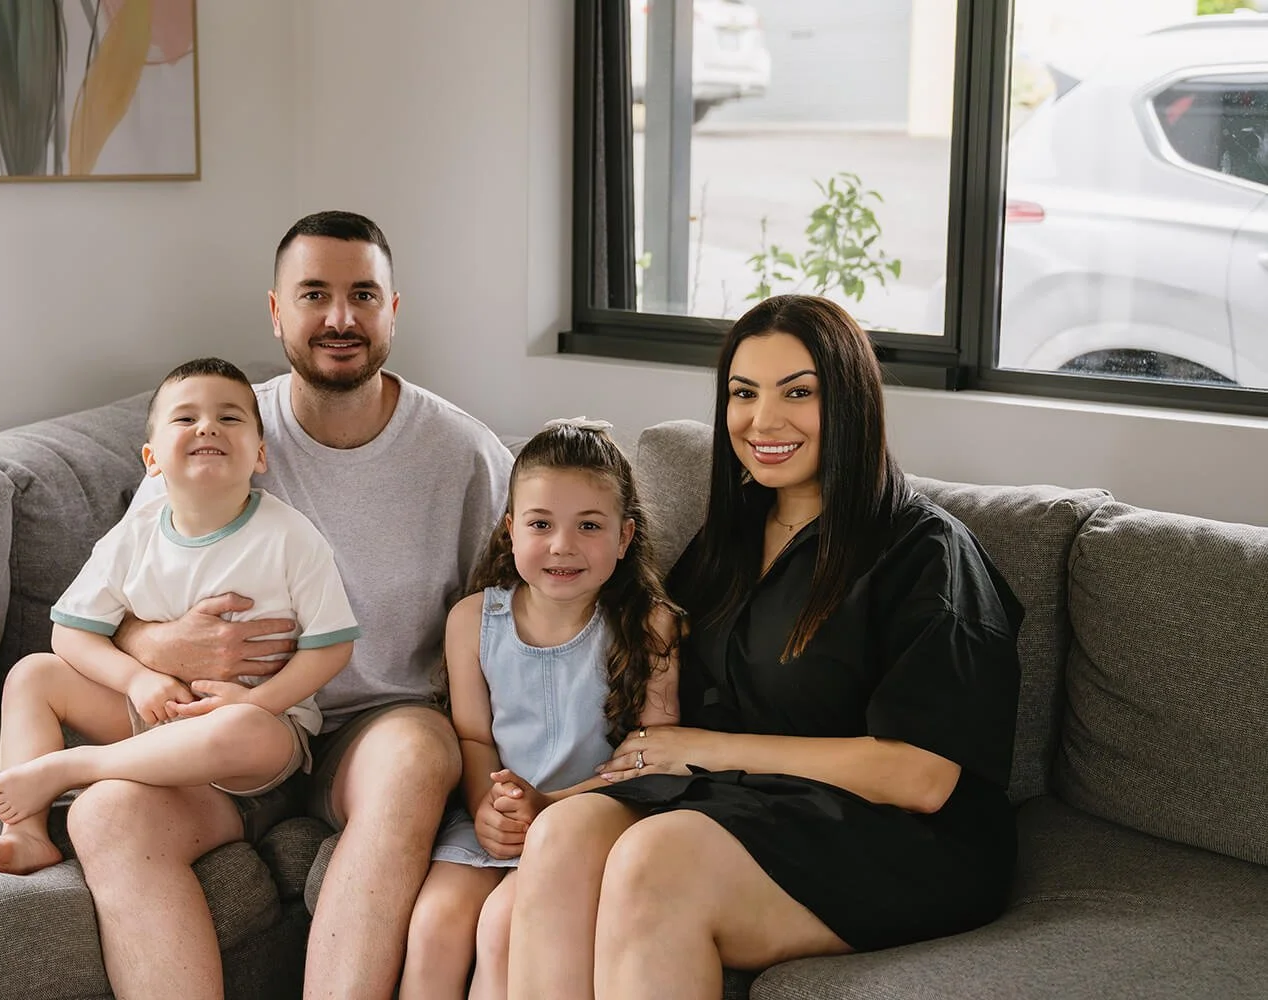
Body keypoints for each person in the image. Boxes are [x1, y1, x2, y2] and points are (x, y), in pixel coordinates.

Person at [501, 295, 1025, 1000]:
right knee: (564, 837)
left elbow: (922, 778)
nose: (763, 420)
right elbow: (664, 725)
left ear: (851, 402)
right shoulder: (732, 537)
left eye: (798, 392)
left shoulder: (927, 554)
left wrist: (714, 749)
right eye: (743, 393)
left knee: (657, 859)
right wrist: (552, 796)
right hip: (754, 804)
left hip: (901, 837)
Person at [69, 211, 514, 1000]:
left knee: (414, 754)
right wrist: (157, 646)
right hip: (223, 731)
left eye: (362, 296)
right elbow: (111, 600)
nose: (340, 319)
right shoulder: (220, 429)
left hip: (374, 729)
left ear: (392, 311)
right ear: (276, 312)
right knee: (105, 816)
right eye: (314, 294)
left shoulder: (465, 457)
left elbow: (521, 622)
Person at [0, 357, 360, 872]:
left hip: (256, 735)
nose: (207, 426)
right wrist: (136, 679)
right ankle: (24, 831)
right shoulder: (134, 537)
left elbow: (332, 645)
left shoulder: (290, 536)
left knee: (240, 728)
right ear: (152, 459)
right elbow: (69, 632)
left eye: (230, 417)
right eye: (186, 418)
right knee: (32, 674)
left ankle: (77, 767)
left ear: (260, 454)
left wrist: (257, 700)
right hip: (157, 713)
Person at [400, 420, 681, 999]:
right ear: (510, 530)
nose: (562, 545)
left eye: (589, 526)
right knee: (434, 925)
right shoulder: (472, 621)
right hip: (494, 824)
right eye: (541, 524)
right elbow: (475, 739)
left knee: (504, 927)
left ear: (625, 537)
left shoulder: (650, 625)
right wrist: (489, 809)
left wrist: (547, 808)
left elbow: (656, 757)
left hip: (592, 817)